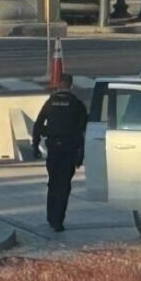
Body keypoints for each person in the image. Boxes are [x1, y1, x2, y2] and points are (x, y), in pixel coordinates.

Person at [31, 73, 88, 232]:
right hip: (69, 148)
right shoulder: (76, 104)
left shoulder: (50, 103)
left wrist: (35, 147)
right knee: (64, 185)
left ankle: (51, 216)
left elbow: (38, 125)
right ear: (71, 85)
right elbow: (84, 129)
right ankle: (58, 219)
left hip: (54, 148)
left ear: (59, 84)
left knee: (53, 183)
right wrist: (81, 153)